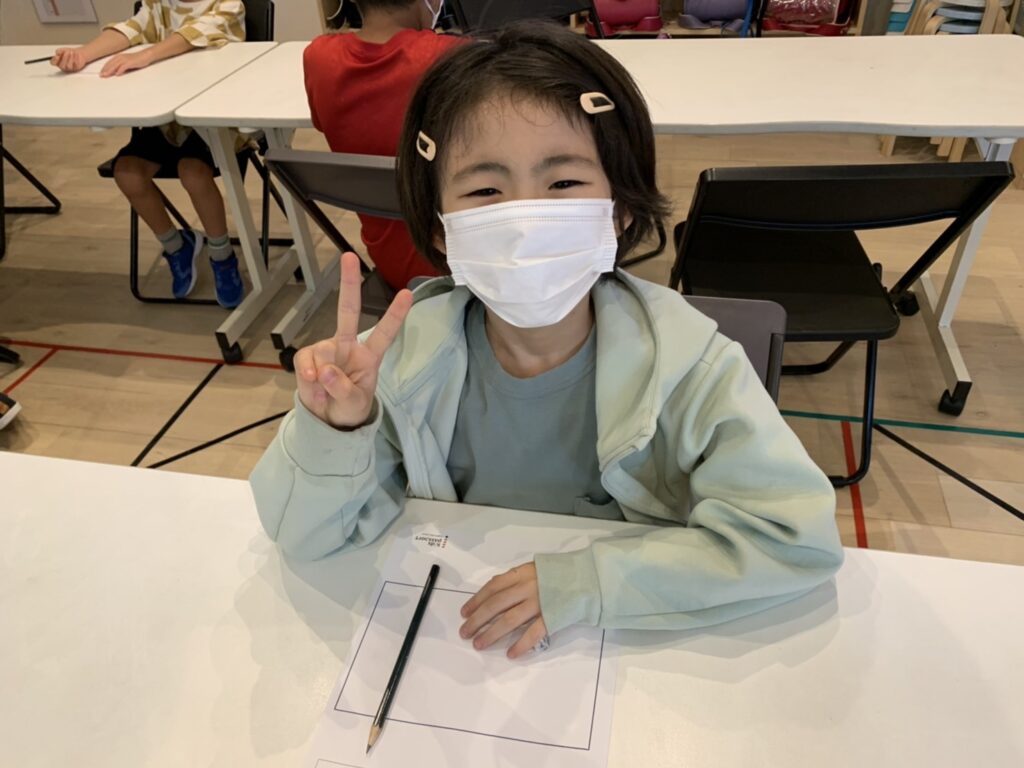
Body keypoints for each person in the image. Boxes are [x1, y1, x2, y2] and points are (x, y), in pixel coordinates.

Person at [251, 22, 843, 660]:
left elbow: (794, 538)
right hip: (454, 637)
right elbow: (305, 536)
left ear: (619, 209)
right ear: (442, 227)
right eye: (485, 190)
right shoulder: (394, 364)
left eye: (563, 184)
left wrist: (590, 583)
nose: (524, 219)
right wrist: (335, 432)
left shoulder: (690, 366)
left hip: (621, 645)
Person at [50, 0, 246, 308]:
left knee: (193, 173)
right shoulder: (158, 4)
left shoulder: (230, 5)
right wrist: (82, 55)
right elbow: (130, 29)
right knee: (127, 172)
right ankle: (176, 246)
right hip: (163, 120)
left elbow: (193, 34)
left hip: (211, 122)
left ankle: (222, 256)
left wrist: (146, 55)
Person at [302, 0, 461, 291]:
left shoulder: (318, 58)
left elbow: (324, 123)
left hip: (391, 267)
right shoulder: (450, 57)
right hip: (461, 264)